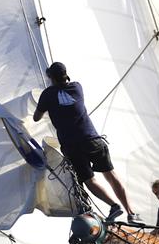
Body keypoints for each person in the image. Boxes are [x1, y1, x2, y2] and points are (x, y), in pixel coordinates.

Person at [33, 62, 140, 225]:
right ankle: (131, 213)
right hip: (93, 140)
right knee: (111, 175)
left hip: (73, 146)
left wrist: (48, 105)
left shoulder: (47, 94)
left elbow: (36, 117)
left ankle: (113, 205)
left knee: (89, 180)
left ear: (50, 77)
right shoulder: (77, 87)